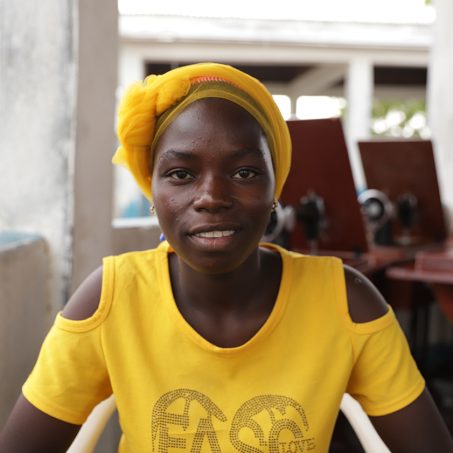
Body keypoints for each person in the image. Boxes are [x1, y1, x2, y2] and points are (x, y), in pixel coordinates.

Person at [0, 63, 452, 453]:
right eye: (181, 173)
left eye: (244, 172)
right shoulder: (112, 298)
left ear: (275, 189)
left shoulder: (346, 302)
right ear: (151, 191)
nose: (212, 197)